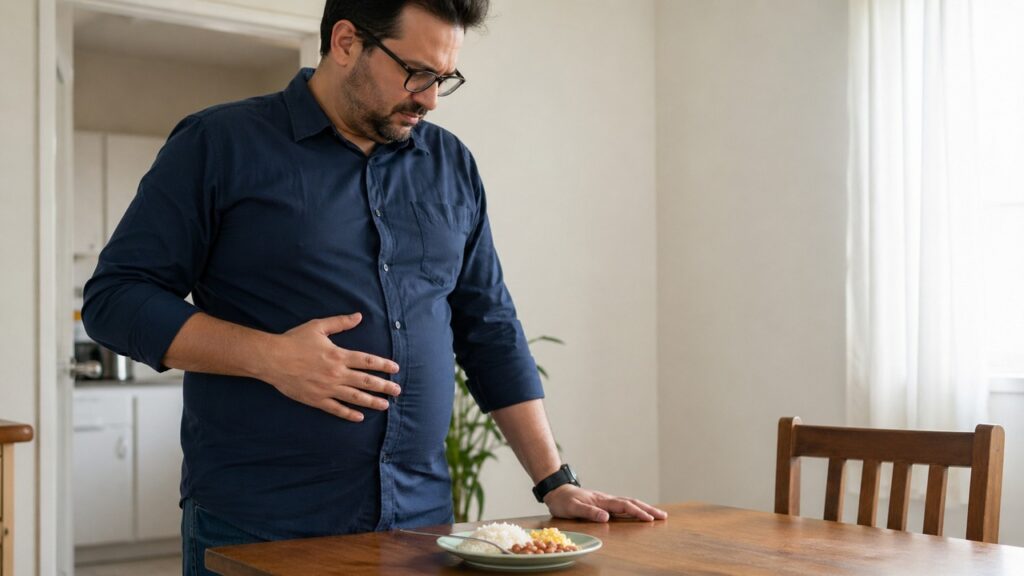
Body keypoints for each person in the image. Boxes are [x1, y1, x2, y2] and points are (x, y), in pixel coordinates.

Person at [82, 0, 667, 573]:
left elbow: (489, 327)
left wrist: (554, 482)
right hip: (259, 527)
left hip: (422, 528)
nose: (432, 98)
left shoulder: (452, 165)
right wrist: (271, 357)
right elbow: (115, 299)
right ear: (345, 43)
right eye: (416, 72)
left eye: (445, 78)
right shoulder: (219, 143)